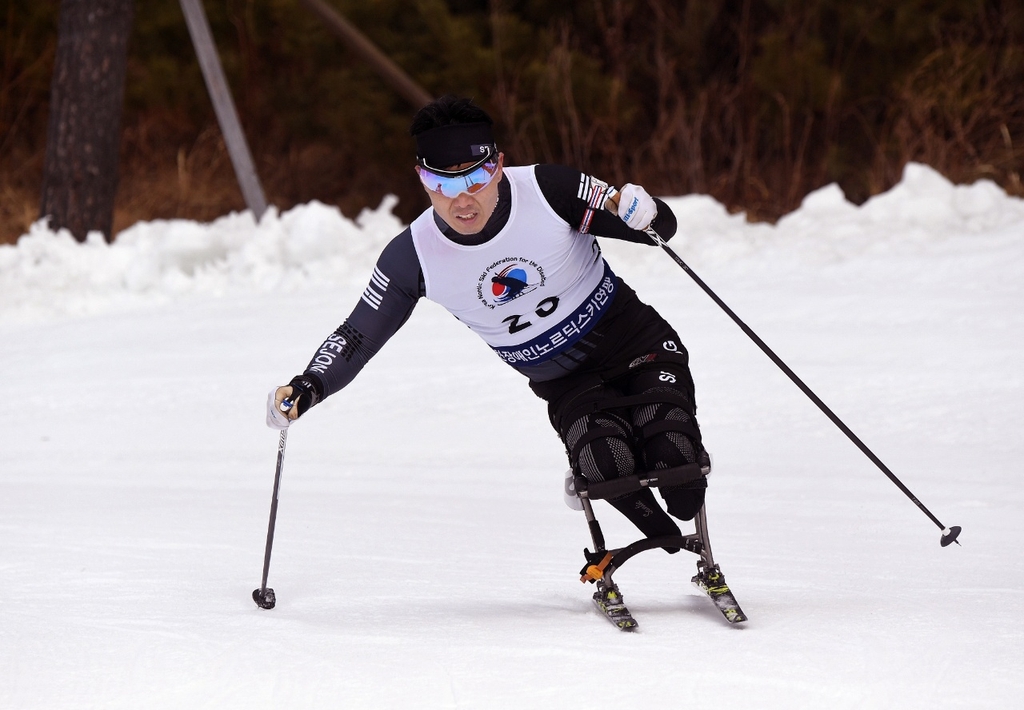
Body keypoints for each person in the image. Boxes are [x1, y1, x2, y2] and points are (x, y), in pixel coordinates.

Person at [267, 95, 707, 543]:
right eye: (439, 183)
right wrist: (309, 385)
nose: (461, 199)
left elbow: (660, 230)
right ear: (421, 179)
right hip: (570, 386)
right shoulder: (412, 256)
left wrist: (643, 209)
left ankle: (660, 444)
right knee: (609, 467)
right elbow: (358, 335)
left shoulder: (549, 189)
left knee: (679, 473)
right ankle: (595, 462)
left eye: (475, 177)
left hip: (639, 348)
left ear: (497, 165)